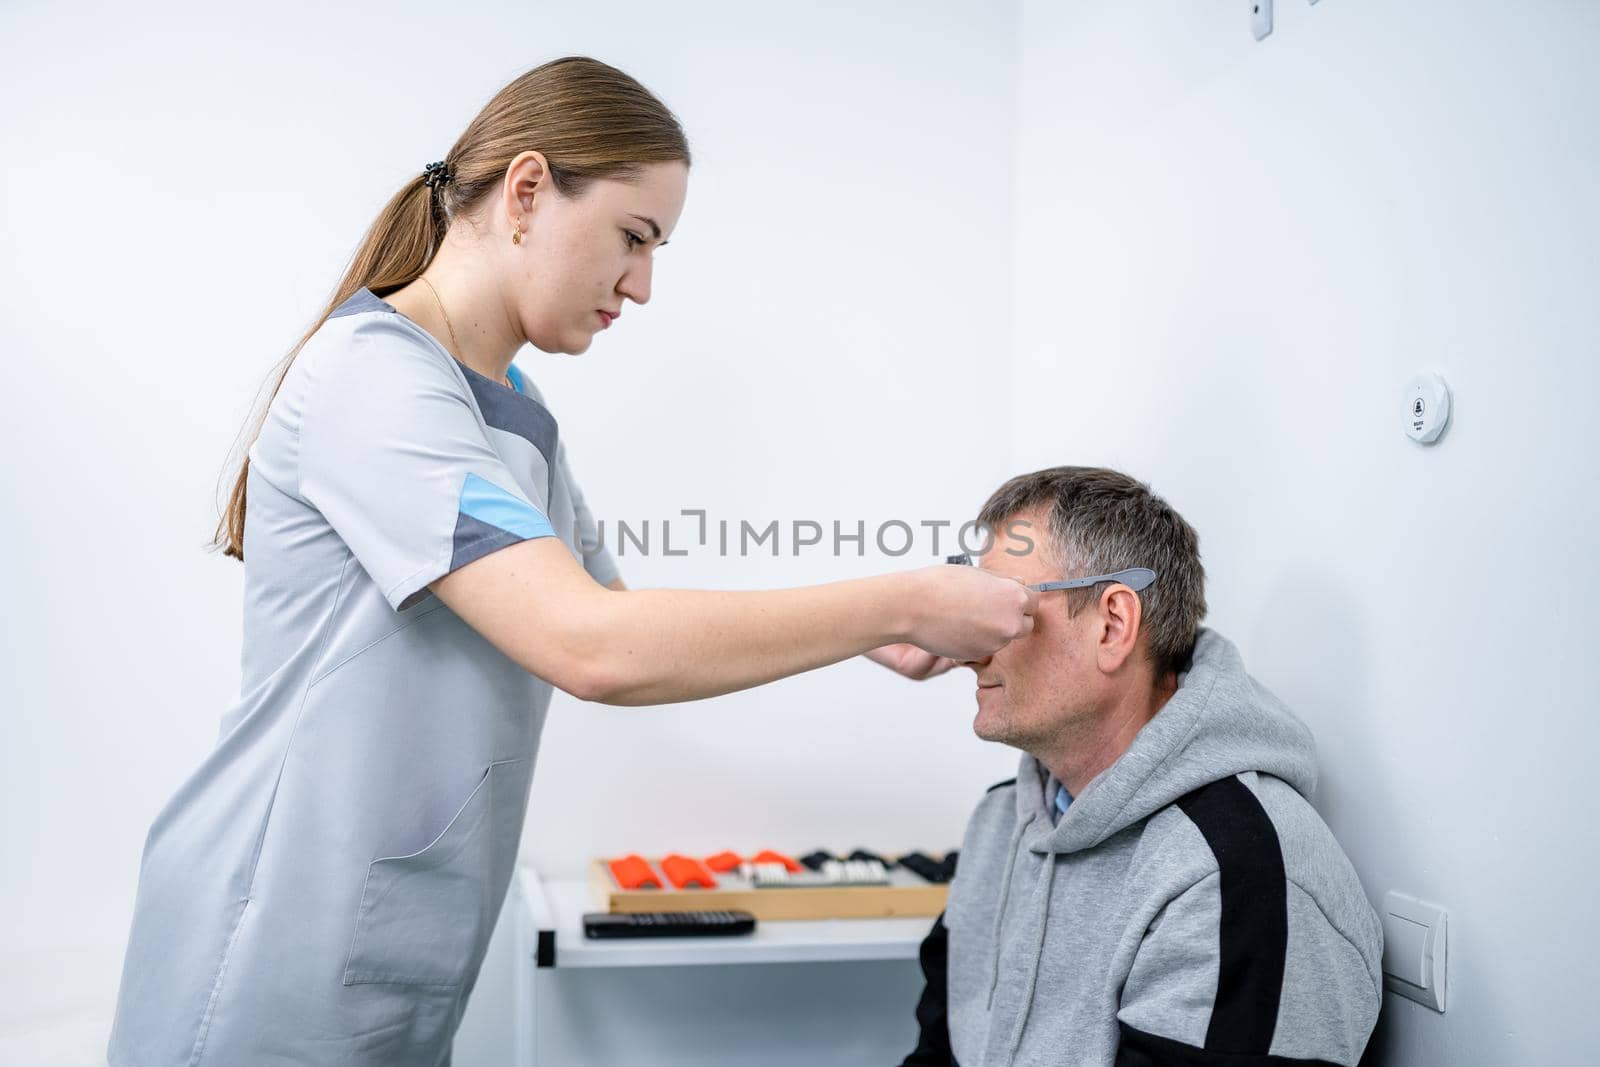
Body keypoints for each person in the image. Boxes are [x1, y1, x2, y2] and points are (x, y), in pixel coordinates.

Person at [106, 56, 1037, 1067]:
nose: (641, 285)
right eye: (634, 238)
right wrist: (899, 597)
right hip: (270, 940)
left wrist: (887, 628)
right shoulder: (372, 381)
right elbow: (590, 648)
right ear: (528, 190)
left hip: (388, 945)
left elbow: (623, 626)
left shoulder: (518, 411)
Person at [901, 467, 1383, 1067]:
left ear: (1113, 625)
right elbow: (938, 1047)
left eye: (1001, 607)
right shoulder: (1002, 819)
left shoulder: (1232, 872)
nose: (968, 651)